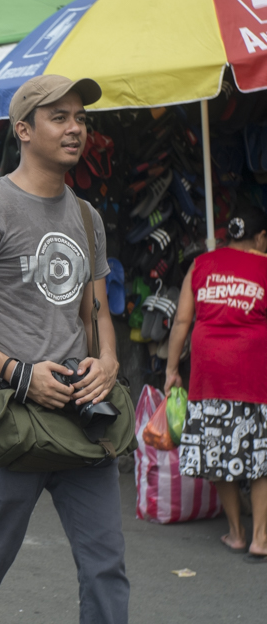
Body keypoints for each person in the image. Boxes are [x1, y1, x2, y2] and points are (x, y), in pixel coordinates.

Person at [0, 75, 128, 623]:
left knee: (105, 565)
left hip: (82, 415)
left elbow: (98, 312)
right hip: (13, 415)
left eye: (81, 118)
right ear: (23, 130)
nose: (75, 128)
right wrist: (19, 373)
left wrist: (107, 361)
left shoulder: (87, 218)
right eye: (59, 117)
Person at [165, 202, 267, 563]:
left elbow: (181, 322)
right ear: (262, 237)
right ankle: (260, 538)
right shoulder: (265, 266)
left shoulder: (202, 264)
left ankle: (237, 534)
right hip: (254, 376)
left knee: (218, 451)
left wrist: (172, 369)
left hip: (209, 376)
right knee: (260, 457)